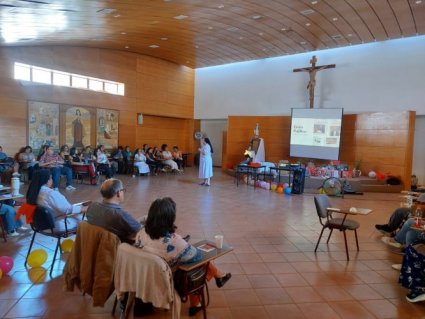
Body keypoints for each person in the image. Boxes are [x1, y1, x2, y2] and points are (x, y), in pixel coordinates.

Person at [135, 197, 231, 317]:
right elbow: (196, 256)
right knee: (199, 264)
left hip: (145, 274)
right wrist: (181, 242)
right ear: (170, 220)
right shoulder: (174, 242)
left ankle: (219, 276)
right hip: (166, 278)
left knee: (188, 259)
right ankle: (196, 304)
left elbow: (140, 220)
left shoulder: (141, 232)